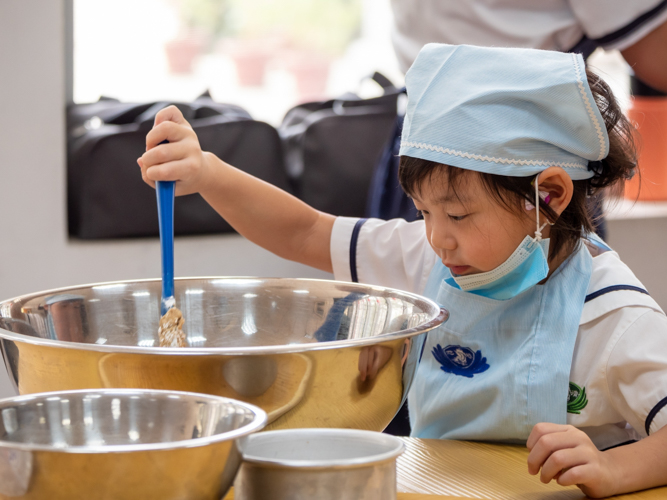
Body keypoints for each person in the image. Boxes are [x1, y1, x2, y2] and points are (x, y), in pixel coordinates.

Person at [137, 44, 667, 498]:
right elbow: (303, 232)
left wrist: (612, 469)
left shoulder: (611, 312)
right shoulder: (425, 258)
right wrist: (207, 172)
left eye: (458, 215)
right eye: (424, 211)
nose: (437, 237)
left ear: (546, 195)